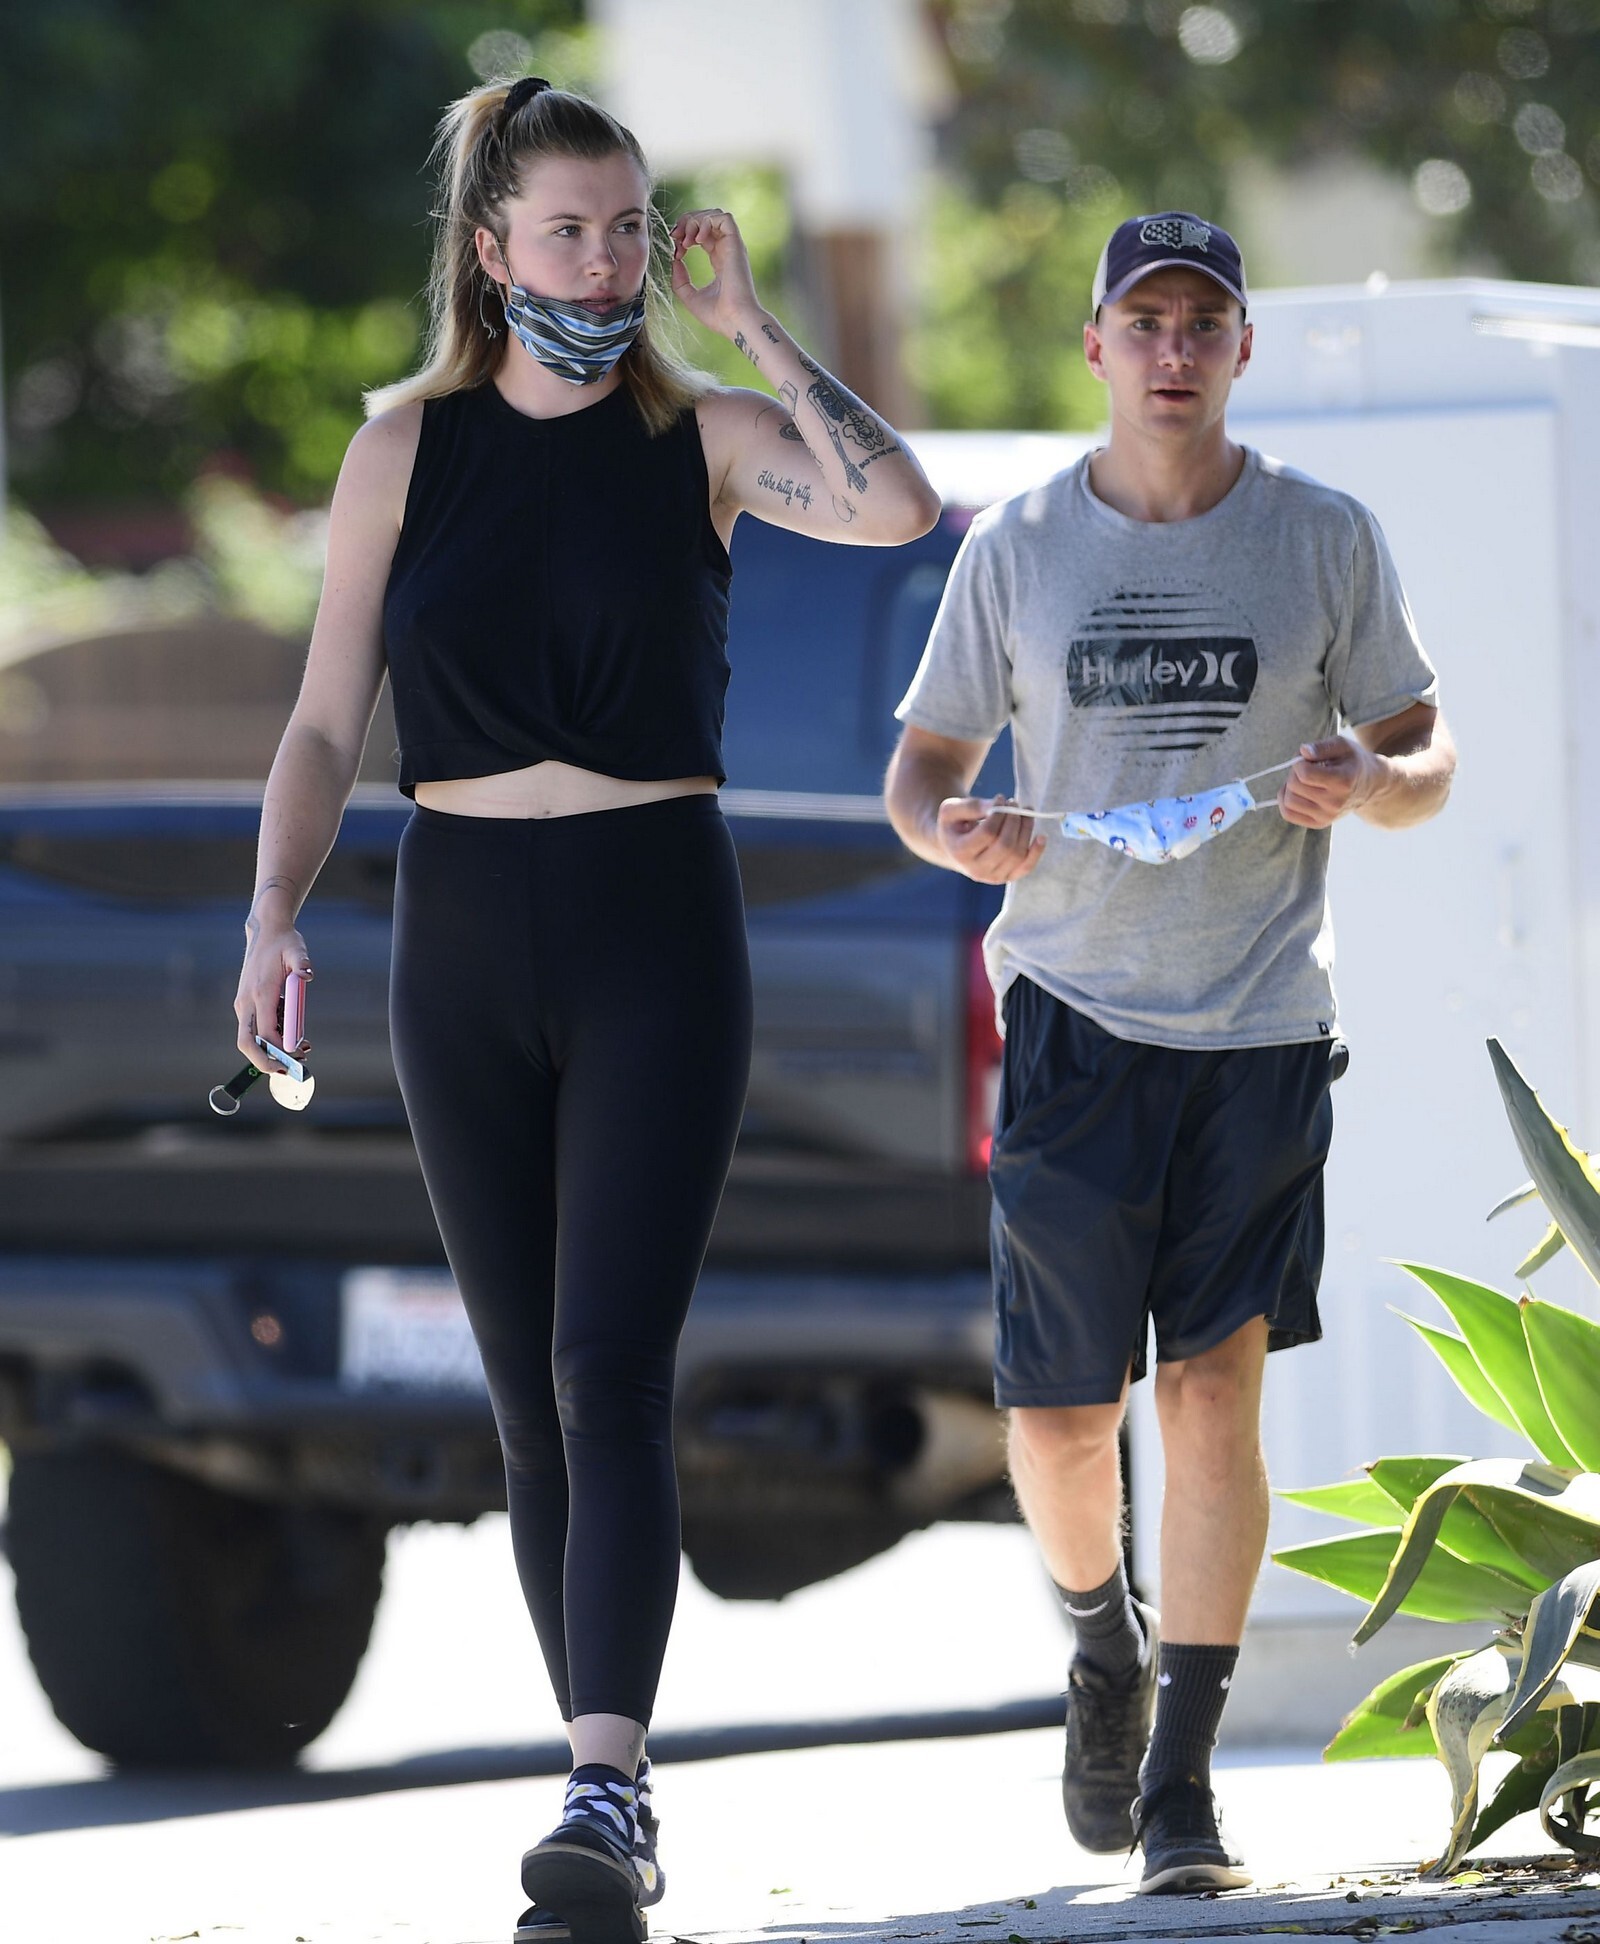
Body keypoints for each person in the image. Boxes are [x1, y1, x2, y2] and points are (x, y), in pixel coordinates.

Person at [233, 76, 938, 1944]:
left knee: (608, 1368)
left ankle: (605, 1791)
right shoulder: (402, 450)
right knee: (527, 1400)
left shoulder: (702, 436)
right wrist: (270, 914)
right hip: (459, 932)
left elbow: (898, 506)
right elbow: (323, 718)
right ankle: (598, 1772)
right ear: (491, 250)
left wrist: (755, 326)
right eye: (571, 230)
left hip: (652, 925)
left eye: (631, 227)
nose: (611, 262)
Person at [884, 213, 1454, 1895]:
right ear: (1097, 347)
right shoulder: (1019, 548)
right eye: (1146, 321)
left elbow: (1426, 746)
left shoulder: (1322, 538)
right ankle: (1102, 1643)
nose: (1176, 349)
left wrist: (1378, 783)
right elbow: (919, 776)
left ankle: (1185, 1787)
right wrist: (956, 833)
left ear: (1243, 349)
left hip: (1263, 1026)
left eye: (1206, 321)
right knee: (1068, 1423)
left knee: (1212, 1394)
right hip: (1074, 1019)